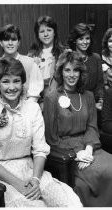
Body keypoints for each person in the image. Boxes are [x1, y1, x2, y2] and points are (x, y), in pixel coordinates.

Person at [0, 56, 82, 207]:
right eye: (5, 81)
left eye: (16, 81)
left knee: (69, 203)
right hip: (3, 176)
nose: (12, 87)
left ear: (22, 82)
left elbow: (40, 150)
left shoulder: (33, 109)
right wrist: (18, 184)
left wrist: (36, 180)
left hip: (32, 169)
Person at [43, 50, 112, 207]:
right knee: (101, 175)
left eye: (76, 70)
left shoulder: (87, 96)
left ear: (81, 73)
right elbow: (51, 138)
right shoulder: (51, 98)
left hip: (91, 148)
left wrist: (87, 150)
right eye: (67, 70)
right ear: (61, 72)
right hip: (66, 153)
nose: (72, 74)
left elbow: (93, 127)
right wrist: (76, 154)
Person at [0, 24, 44, 102]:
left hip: (26, 109)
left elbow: (34, 94)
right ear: (1, 43)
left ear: (18, 42)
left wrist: (25, 110)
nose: (10, 43)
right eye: (6, 40)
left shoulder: (30, 63)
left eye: (13, 39)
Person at [67, 23, 104, 110]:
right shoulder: (69, 58)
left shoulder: (96, 58)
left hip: (93, 104)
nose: (85, 42)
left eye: (87, 38)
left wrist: (100, 100)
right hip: (73, 104)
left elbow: (100, 83)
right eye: (81, 39)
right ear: (75, 40)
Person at [28, 15, 64, 104]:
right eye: (42, 31)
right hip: (36, 101)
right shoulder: (31, 55)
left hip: (58, 100)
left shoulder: (63, 53)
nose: (46, 34)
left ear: (54, 32)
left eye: (49, 30)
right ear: (37, 35)